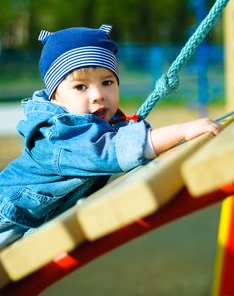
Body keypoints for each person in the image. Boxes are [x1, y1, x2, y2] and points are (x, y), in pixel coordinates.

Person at [0, 24, 222, 250]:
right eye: (80, 87)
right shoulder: (59, 133)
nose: (98, 95)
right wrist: (182, 131)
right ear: (55, 96)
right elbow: (108, 151)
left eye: (107, 82)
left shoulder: (104, 122)